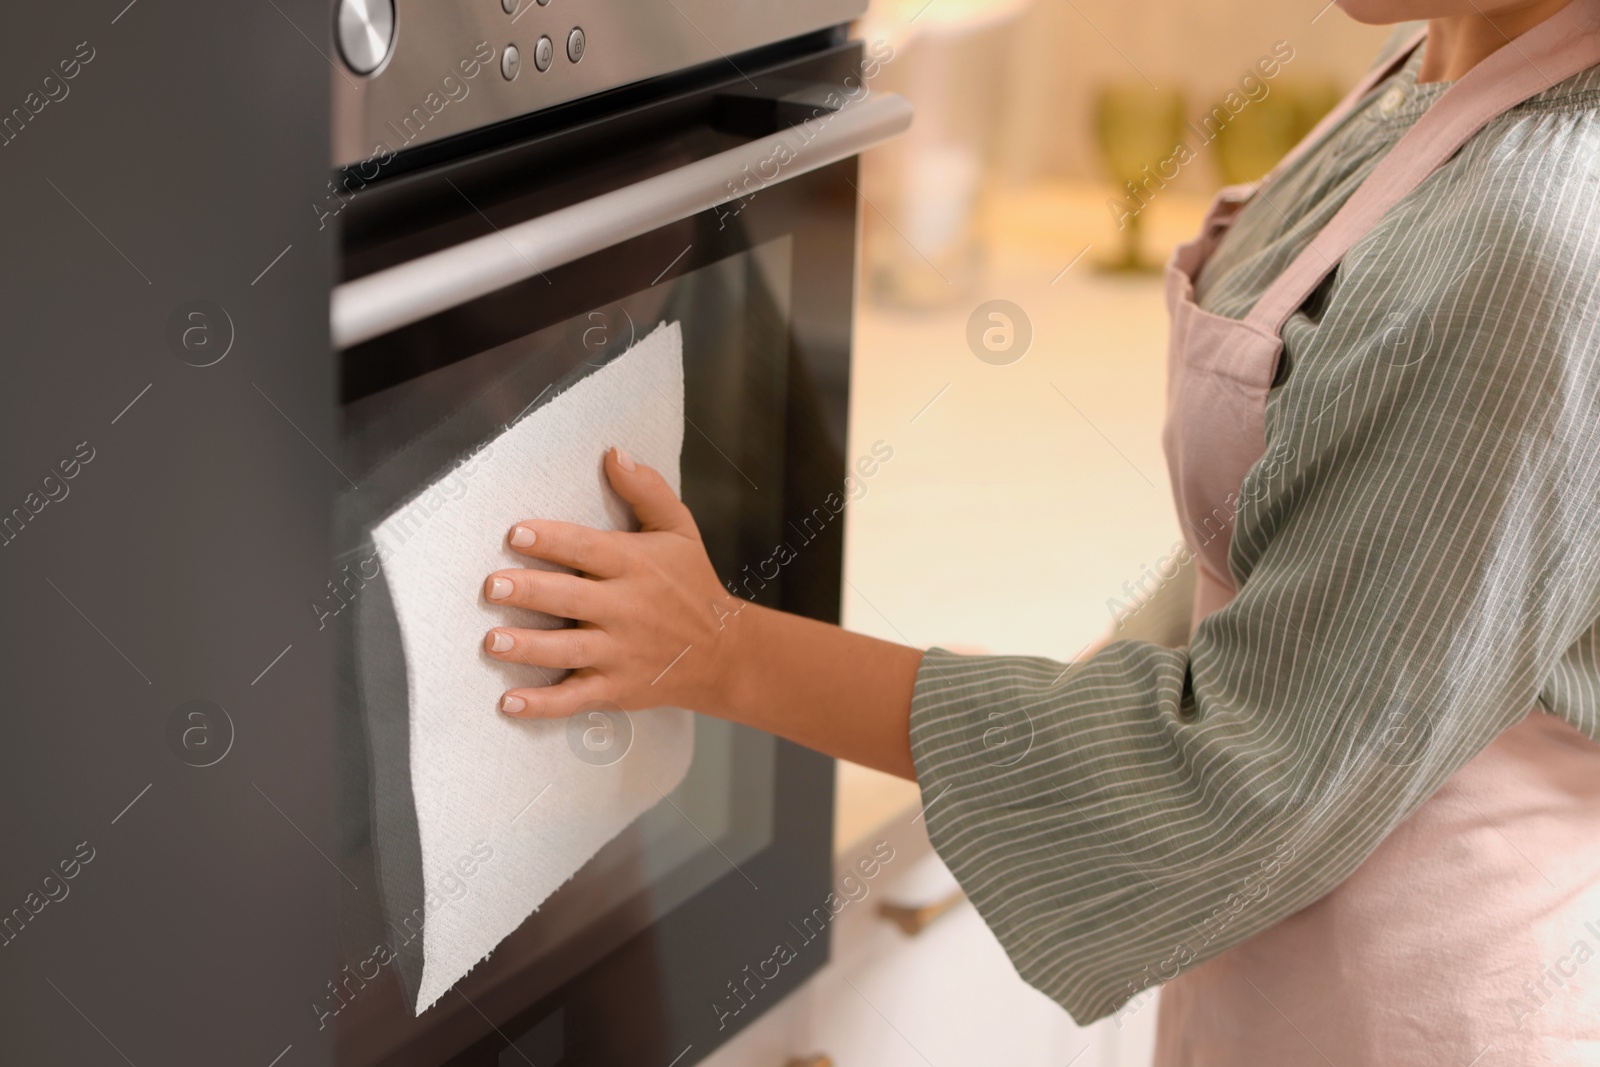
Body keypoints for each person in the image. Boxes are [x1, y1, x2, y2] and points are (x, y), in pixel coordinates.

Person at [473, 0, 1600, 1060]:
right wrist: (1062, 713)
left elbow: (1242, 776)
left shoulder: (1539, 227)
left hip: (1416, 992)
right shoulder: (1441, 63)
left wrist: (721, 650)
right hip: (1300, 953)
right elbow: (1297, 529)